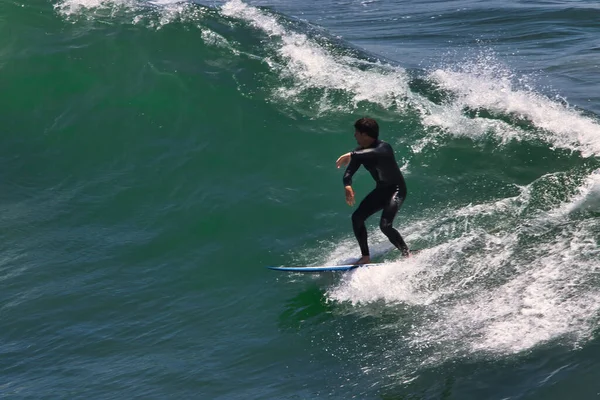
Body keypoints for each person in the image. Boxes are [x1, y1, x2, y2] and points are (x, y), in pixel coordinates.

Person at [336, 117, 410, 265]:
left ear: (365, 134)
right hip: (382, 190)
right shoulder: (359, 152)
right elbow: (349, 172)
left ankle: (407, 254)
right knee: (357, 218)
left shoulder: (384, 147)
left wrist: (351, 154)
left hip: (396, 190)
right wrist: (347, 185)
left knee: (385, 226)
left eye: (357, 132)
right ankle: (365, 257)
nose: (354, 135)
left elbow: (374, 153)